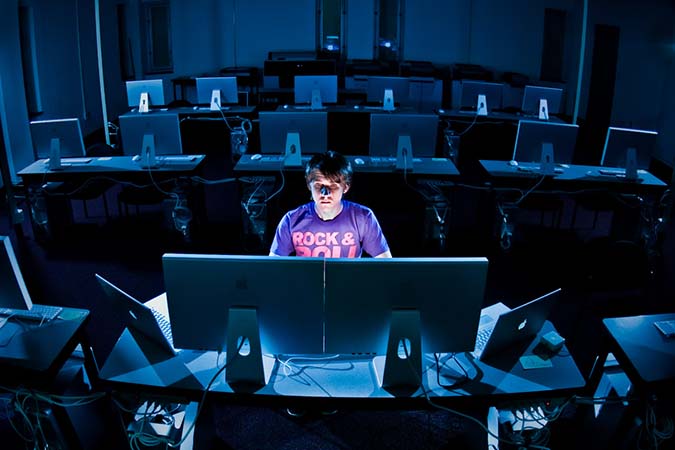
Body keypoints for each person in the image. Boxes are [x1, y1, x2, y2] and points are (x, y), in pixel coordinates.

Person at [269, 150, 392, 258]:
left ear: (345, 188)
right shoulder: (291, 220)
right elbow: (272, 267)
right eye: (318, 186)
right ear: (309, 186)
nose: (325, 193)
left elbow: (386, 265)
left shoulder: (363, 218)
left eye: (333, 186)